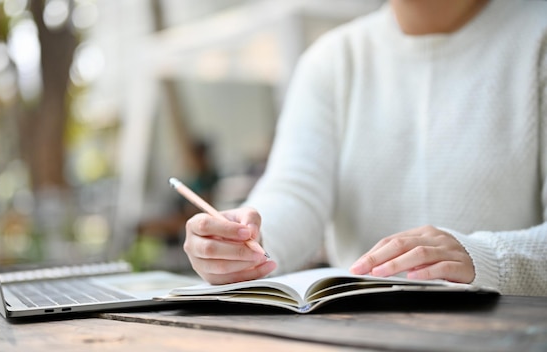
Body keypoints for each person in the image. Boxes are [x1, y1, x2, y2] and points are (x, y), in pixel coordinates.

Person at [181, 0, 547, 296]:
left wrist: (484, 258)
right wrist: (243, 244)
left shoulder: (537, 38)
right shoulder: (332, 58)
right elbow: (294, 193)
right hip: (360, 331)